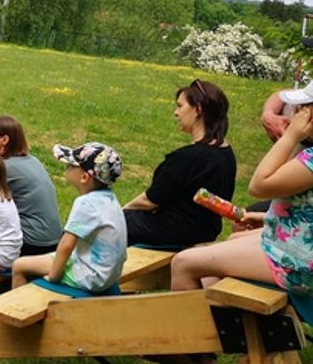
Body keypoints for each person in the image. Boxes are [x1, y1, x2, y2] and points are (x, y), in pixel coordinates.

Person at [171, 96, 313, 294]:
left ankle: (193, 324)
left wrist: (290, 137)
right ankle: (222, 321)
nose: (295, 115)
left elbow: (259, 186)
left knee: (183, 262)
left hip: (297, 266)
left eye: (302, 109)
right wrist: (266, 218)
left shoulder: (311, 161)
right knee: (226, 246)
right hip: (296, 247)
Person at [123, 79, 236, 248]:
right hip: (206, 229)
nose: (176, 113)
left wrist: (123, 210)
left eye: (180, 106)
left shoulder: (188, 157)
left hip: (174, 232)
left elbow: (151, 200)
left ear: (198, 109)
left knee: (102, 223)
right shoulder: (226, 152)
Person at [12, 143, 127, 292]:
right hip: (108, 273)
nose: (66, 167)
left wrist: (54, 276)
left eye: (71, 166)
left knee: (19, 266)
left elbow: (66, 245)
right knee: (42, 259)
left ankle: (17, 311)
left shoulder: (86, 203)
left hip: (90, 276)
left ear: (84, 177)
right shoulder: (110, 198)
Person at [0, 115, 63, 256]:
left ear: (4, 140)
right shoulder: (32, 161)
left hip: (32, 243)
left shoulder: (6, 168)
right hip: (54, 240)